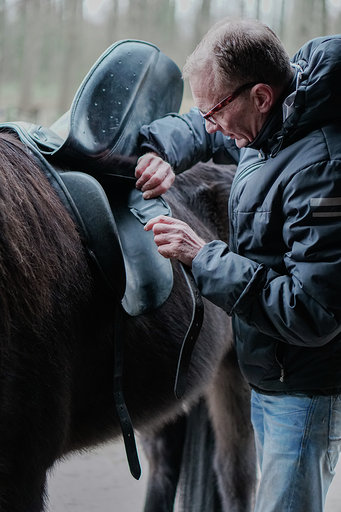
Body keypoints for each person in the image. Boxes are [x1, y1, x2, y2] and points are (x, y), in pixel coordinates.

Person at [134, 18, 341, 512]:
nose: (209, 123)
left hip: (305, 395)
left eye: (215, 109)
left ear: (261, 97)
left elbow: (311, 310)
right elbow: (203, 132)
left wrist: (202, 255)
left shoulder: (322, 170)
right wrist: (160, 151)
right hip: (273, 380)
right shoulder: (271, 128)